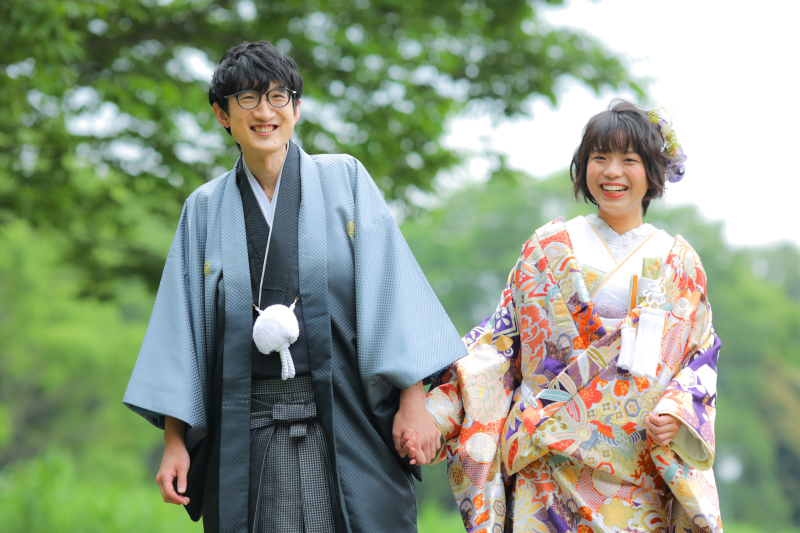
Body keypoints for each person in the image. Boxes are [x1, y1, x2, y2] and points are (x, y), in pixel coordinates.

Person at [123, 41, 465, 533]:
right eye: (247, 99)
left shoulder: (345, 179)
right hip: (248, 430)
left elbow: (391, 291)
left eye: (278, 97)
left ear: (297, 108)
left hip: (347, 419)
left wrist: (413, 402)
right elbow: (184, 331)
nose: (265, 112)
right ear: (222, 115)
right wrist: (174, 441)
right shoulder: (203, 208)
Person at [402, 100, 722, 532]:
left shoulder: (679, 263)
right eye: (599, 157)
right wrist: (433, 414)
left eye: (629, 160)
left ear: (653, 172)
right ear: (583, 167)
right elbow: (498, 347)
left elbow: (699, 356)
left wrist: (681, 415)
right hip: (544, 464)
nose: (612, 172)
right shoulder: (548, 246)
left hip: (633, 476)